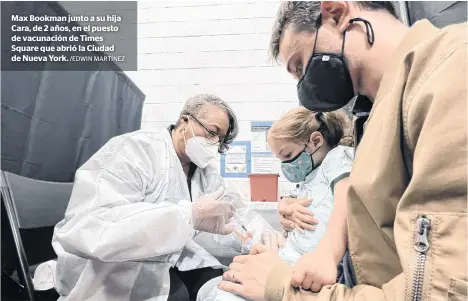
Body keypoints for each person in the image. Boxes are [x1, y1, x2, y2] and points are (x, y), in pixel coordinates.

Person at [218, 2, 467, 301]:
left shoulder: (451, 71)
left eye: (300, 65)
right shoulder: (374, 117)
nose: (304, 87)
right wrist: (321, 245)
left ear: (336, 13)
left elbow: (438, 292)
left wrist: (283, 289)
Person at [51, 94, 280, 301]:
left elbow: (235, 212)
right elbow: (92, 226)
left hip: (177, 259)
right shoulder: (136, 150)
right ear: (184, 122)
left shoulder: (205, 171)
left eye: (220, 140)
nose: (214, 144)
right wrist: (187, 215)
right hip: (118, 270)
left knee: (227, 288)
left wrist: (265, 236)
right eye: (211, 132)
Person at [199, 107, 354, 301]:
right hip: (290, 256)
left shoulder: (337, 157)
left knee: (223, 294)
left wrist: (328, 255)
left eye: (287, 155)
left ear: (315, 141)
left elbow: (348, 200)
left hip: (304, 263)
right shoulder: (310, 175)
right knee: (214, 288)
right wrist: (287, 206)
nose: (285, 166)